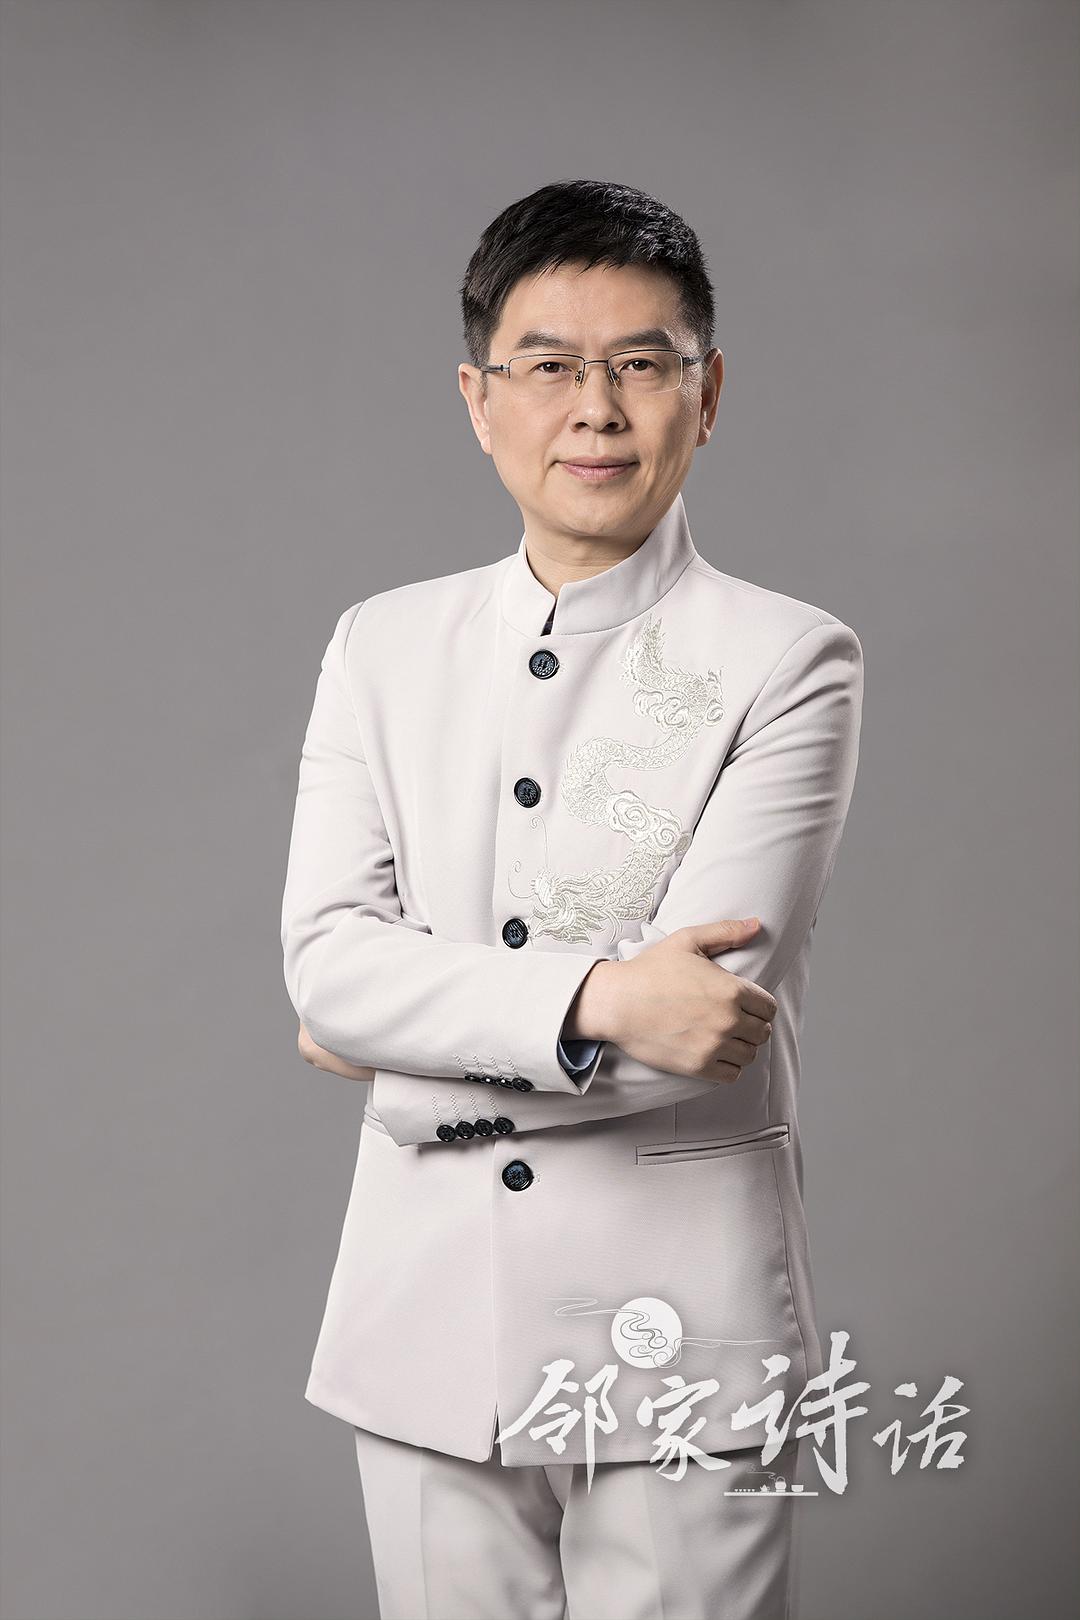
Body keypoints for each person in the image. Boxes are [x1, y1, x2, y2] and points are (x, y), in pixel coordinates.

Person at [279, 178, 864, 1620]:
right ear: (478, 399)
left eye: (640, 363)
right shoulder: (379, 646)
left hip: (685, 1339)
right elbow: (327, 966)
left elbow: (697, 1031)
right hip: (424, 1328)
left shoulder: (791, 660)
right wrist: (601, 998)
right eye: (548, 365)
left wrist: (398, 1064)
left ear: (706, 394)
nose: (594, 410)